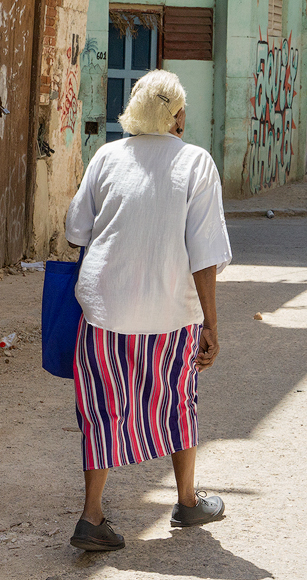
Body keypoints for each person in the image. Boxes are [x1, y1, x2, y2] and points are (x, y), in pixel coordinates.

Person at [64, 69, 231, 552]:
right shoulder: (196, 163)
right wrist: (211, 325)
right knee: (178, 400)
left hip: (103, 311)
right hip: (170, 314)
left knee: (101, 411)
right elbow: (204, 255)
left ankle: (91, 516)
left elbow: (77, 231)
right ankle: (186, 500)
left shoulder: (106, 157)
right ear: (177, 116)